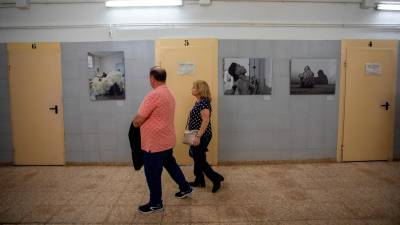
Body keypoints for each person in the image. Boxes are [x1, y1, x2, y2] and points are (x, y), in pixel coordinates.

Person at [133, 66, 192, 214]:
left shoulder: (154, 95)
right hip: (166, 140)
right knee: (171, 165)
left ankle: (155, 203)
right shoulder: (168, 93)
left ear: (152, 78)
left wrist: (134, 124)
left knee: (152, 174)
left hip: (154, 144)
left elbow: (139, 118)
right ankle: (185, 187)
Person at [187, 80, 224, 193]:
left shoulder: (203, 103)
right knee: (197, 157)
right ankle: (199, 179)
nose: (192, 88)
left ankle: (215, 178)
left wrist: (198, 136)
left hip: (201, 135)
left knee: (200, 159)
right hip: (195, 134)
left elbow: (205, 120)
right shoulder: (199, 102)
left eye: (194, 87)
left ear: (200, 90)